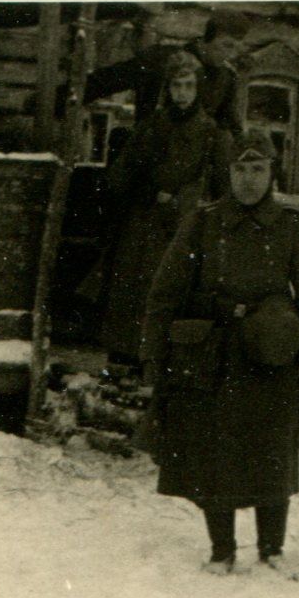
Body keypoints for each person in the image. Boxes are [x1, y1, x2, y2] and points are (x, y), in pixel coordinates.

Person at [142, 129, 299, 574]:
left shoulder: (291, 225)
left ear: (272, 173)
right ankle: (222, 550)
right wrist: (152, 354)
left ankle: (272, 550)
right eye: (240, 169)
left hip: (272, 356)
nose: (248, 179)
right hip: (215, 359)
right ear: (228, 173)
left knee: (273, 452)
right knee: (215, 455)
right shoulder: (202, 223)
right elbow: (164, 293)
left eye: (257, 169)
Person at [99, 52, 232, 368]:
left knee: (173, 294)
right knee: (132, 294)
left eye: (188, 86)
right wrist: (146, 189)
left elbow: (222, 189)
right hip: (143, 225)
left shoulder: (211, 133)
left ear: (198, 89)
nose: (182, 93)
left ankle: (164, 362)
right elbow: (119, 175)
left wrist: (185, 200)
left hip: (183, 227)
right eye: (176, 86)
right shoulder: (151, 127)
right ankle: (125, 362)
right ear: (167, 89)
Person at [84, 10, 250, 135]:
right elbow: (100, 83)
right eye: (227, 45)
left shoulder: (226, 78)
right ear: (206, 38)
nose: (231, 55)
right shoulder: (161, 59)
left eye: (236, 48)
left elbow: (229, 128)